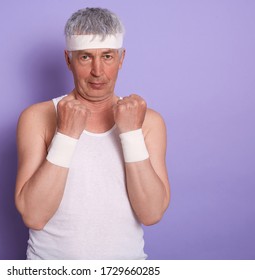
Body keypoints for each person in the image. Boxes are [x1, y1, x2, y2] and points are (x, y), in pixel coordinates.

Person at [15, 7, 170, 259]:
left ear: (121, 59)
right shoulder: (37, 118)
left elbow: (151, 213)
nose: (98, 71)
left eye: (107, 56)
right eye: (85, 57)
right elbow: (33, 215)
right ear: (68, 60)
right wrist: (65, 135)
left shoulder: (148, 122)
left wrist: (131, 134)